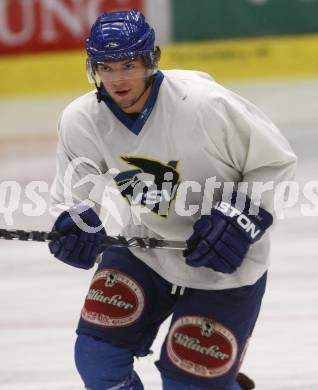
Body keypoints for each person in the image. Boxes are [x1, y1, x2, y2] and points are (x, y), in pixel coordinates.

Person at [49, 9, 297, 390]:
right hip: (147, 248)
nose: (118, 80)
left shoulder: (204, 105)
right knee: (97, 358)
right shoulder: (82, 118)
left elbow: (275, 162)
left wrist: (239, 215)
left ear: (151, 60)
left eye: (128, 65)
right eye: (107, 68)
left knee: (188, 383)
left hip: (227, 264)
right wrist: (76, 223)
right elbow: (75, 195)